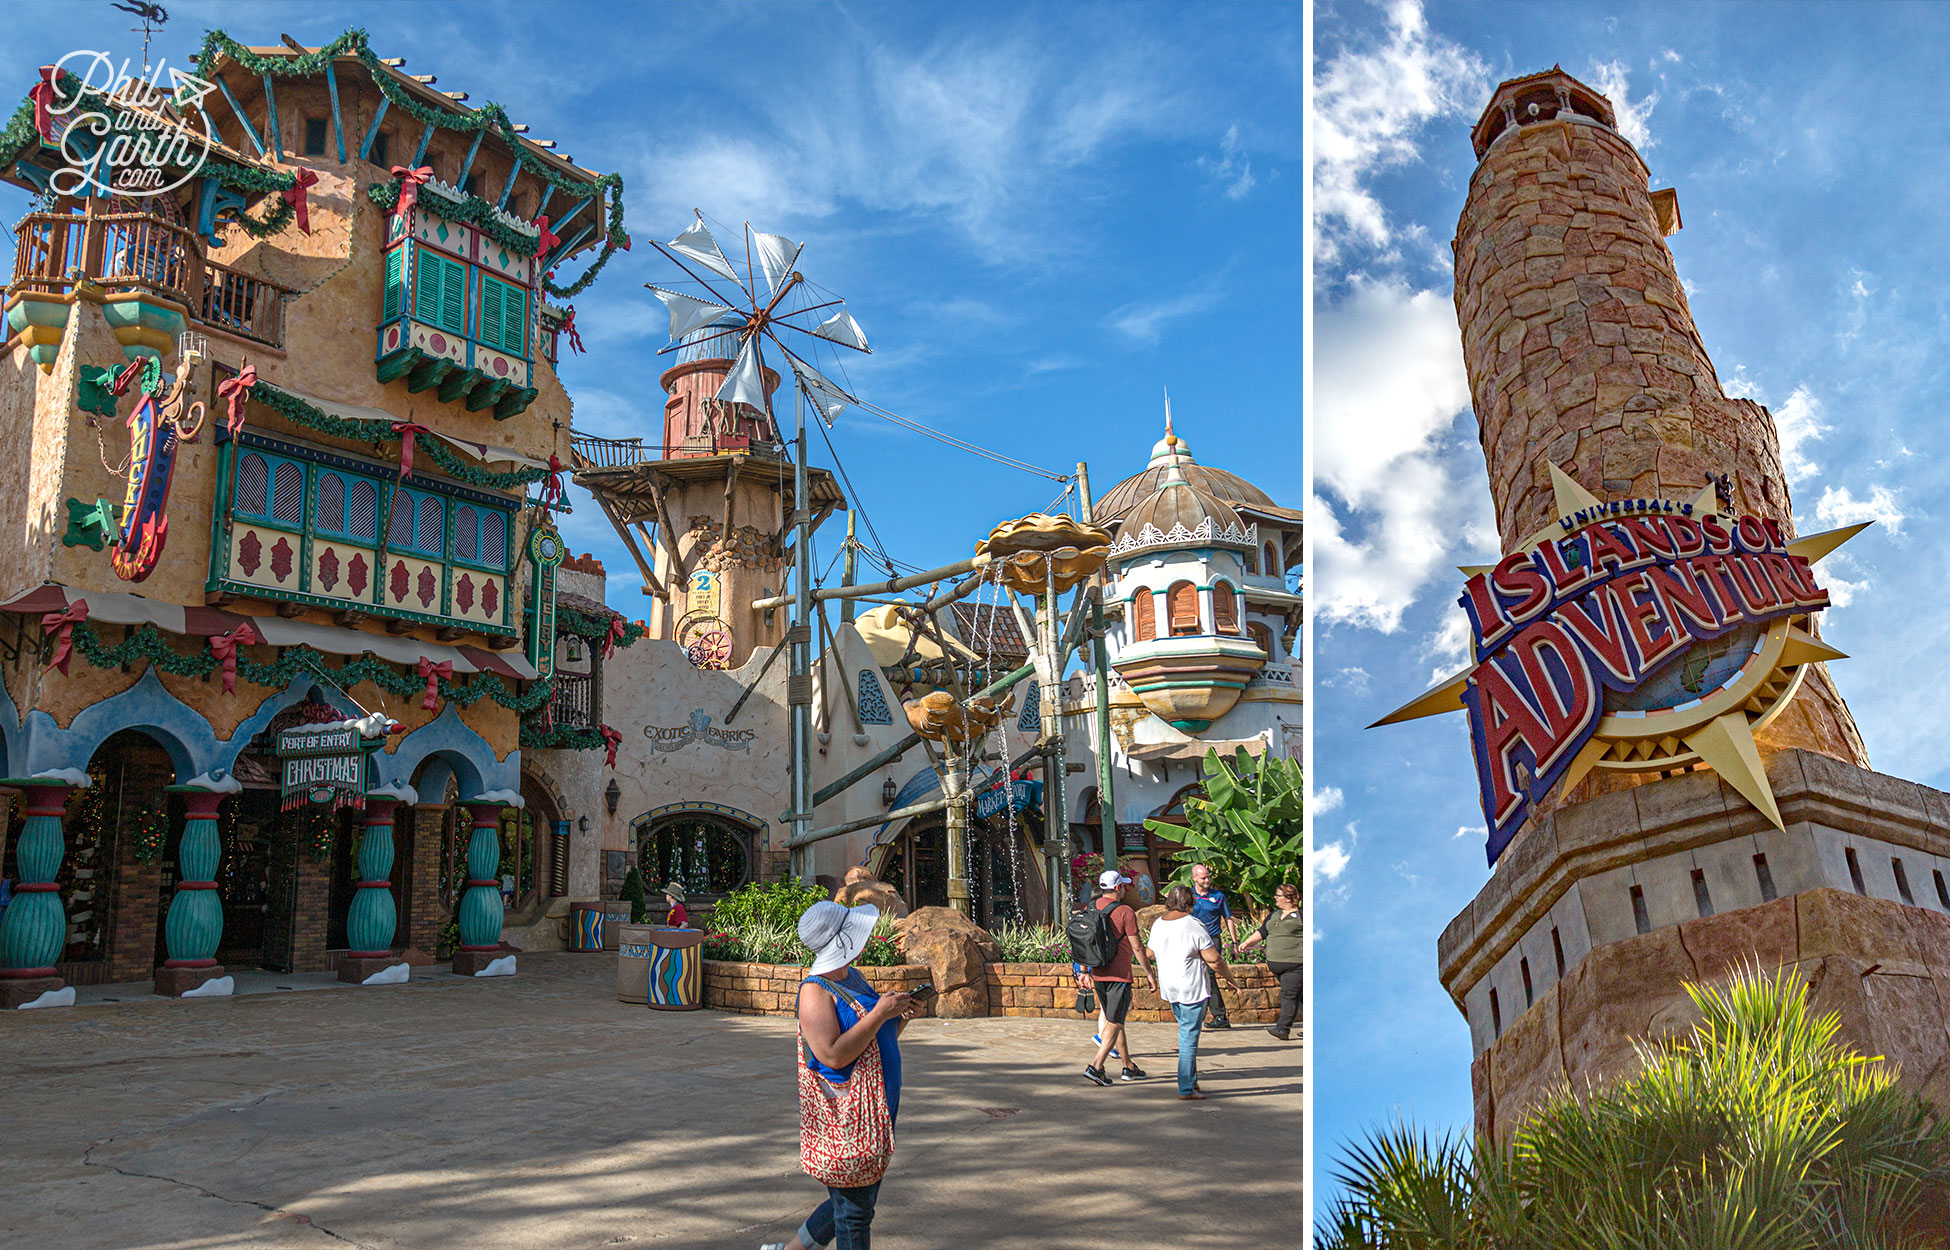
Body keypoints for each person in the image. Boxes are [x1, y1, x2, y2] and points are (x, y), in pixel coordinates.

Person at [762, 901, 919, 1250]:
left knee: (852, 1201)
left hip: (875, 1109)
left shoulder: (852, 976)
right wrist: (879, 1013)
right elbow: (832, 1055)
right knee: (854, 1212)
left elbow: (876, 1038)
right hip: (847, 1116)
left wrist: (901, 1016)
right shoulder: (814, 991)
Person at [1147, 884, 1241, 1100]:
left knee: (1186, 1031)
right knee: (1188, 1037)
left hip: (1170, 988)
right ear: (1191, 903)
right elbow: (1214, 959)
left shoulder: (1158, 924)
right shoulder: (1193, 925)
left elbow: (1150, 952)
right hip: (1191, 988)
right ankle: (1186, 1088)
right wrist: (1232, 980)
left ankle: (1192, 1080)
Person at [1079, 868, 1154, 1086]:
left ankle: (1128, 1066)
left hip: (1098, 972)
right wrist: (1149, 973)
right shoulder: (1125, 911)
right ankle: (1096, 1066)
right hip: (1119, 975)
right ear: (1119, 888)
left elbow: (1085, 942)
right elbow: (1137, 947)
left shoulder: (1090, 907)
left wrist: (1084, 971)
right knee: (1114, 1020)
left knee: (1116, 1019)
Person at [1238, 882, 1302, 1041]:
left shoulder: (1303, 915)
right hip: (1276, 964)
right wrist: (1247, 942)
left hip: (1296, 964)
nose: (1275, 898)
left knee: (1289, 995)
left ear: (1289, 898)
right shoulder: (1274, 915)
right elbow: (1263, 932)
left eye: (1278, 896)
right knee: (1301, 996)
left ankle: (1283, 1029)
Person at [1188, 863, 1236, 1028]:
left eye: (1208, 877)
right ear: (1194, 878)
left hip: (1212, 939)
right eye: (1203, 878)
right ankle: (1198, 1014)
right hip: (1192, 940)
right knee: (1195, 976)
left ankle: (1220, 1016)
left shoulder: (1218, 896)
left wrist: (1235, 942)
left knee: (1208, 975)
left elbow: (1228, 918)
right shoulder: (1188, 896)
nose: (1207, 880)